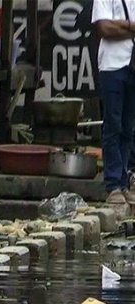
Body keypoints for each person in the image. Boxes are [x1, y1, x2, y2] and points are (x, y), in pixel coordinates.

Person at [92, 0, 135, 203]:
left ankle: (123, 181)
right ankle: (113, 184)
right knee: (113, 124)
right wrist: (132, 27)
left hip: (132, 64)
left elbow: (111, 27)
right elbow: (103, 28)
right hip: (112, 65)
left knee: (128, 127)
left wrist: (121, 25)